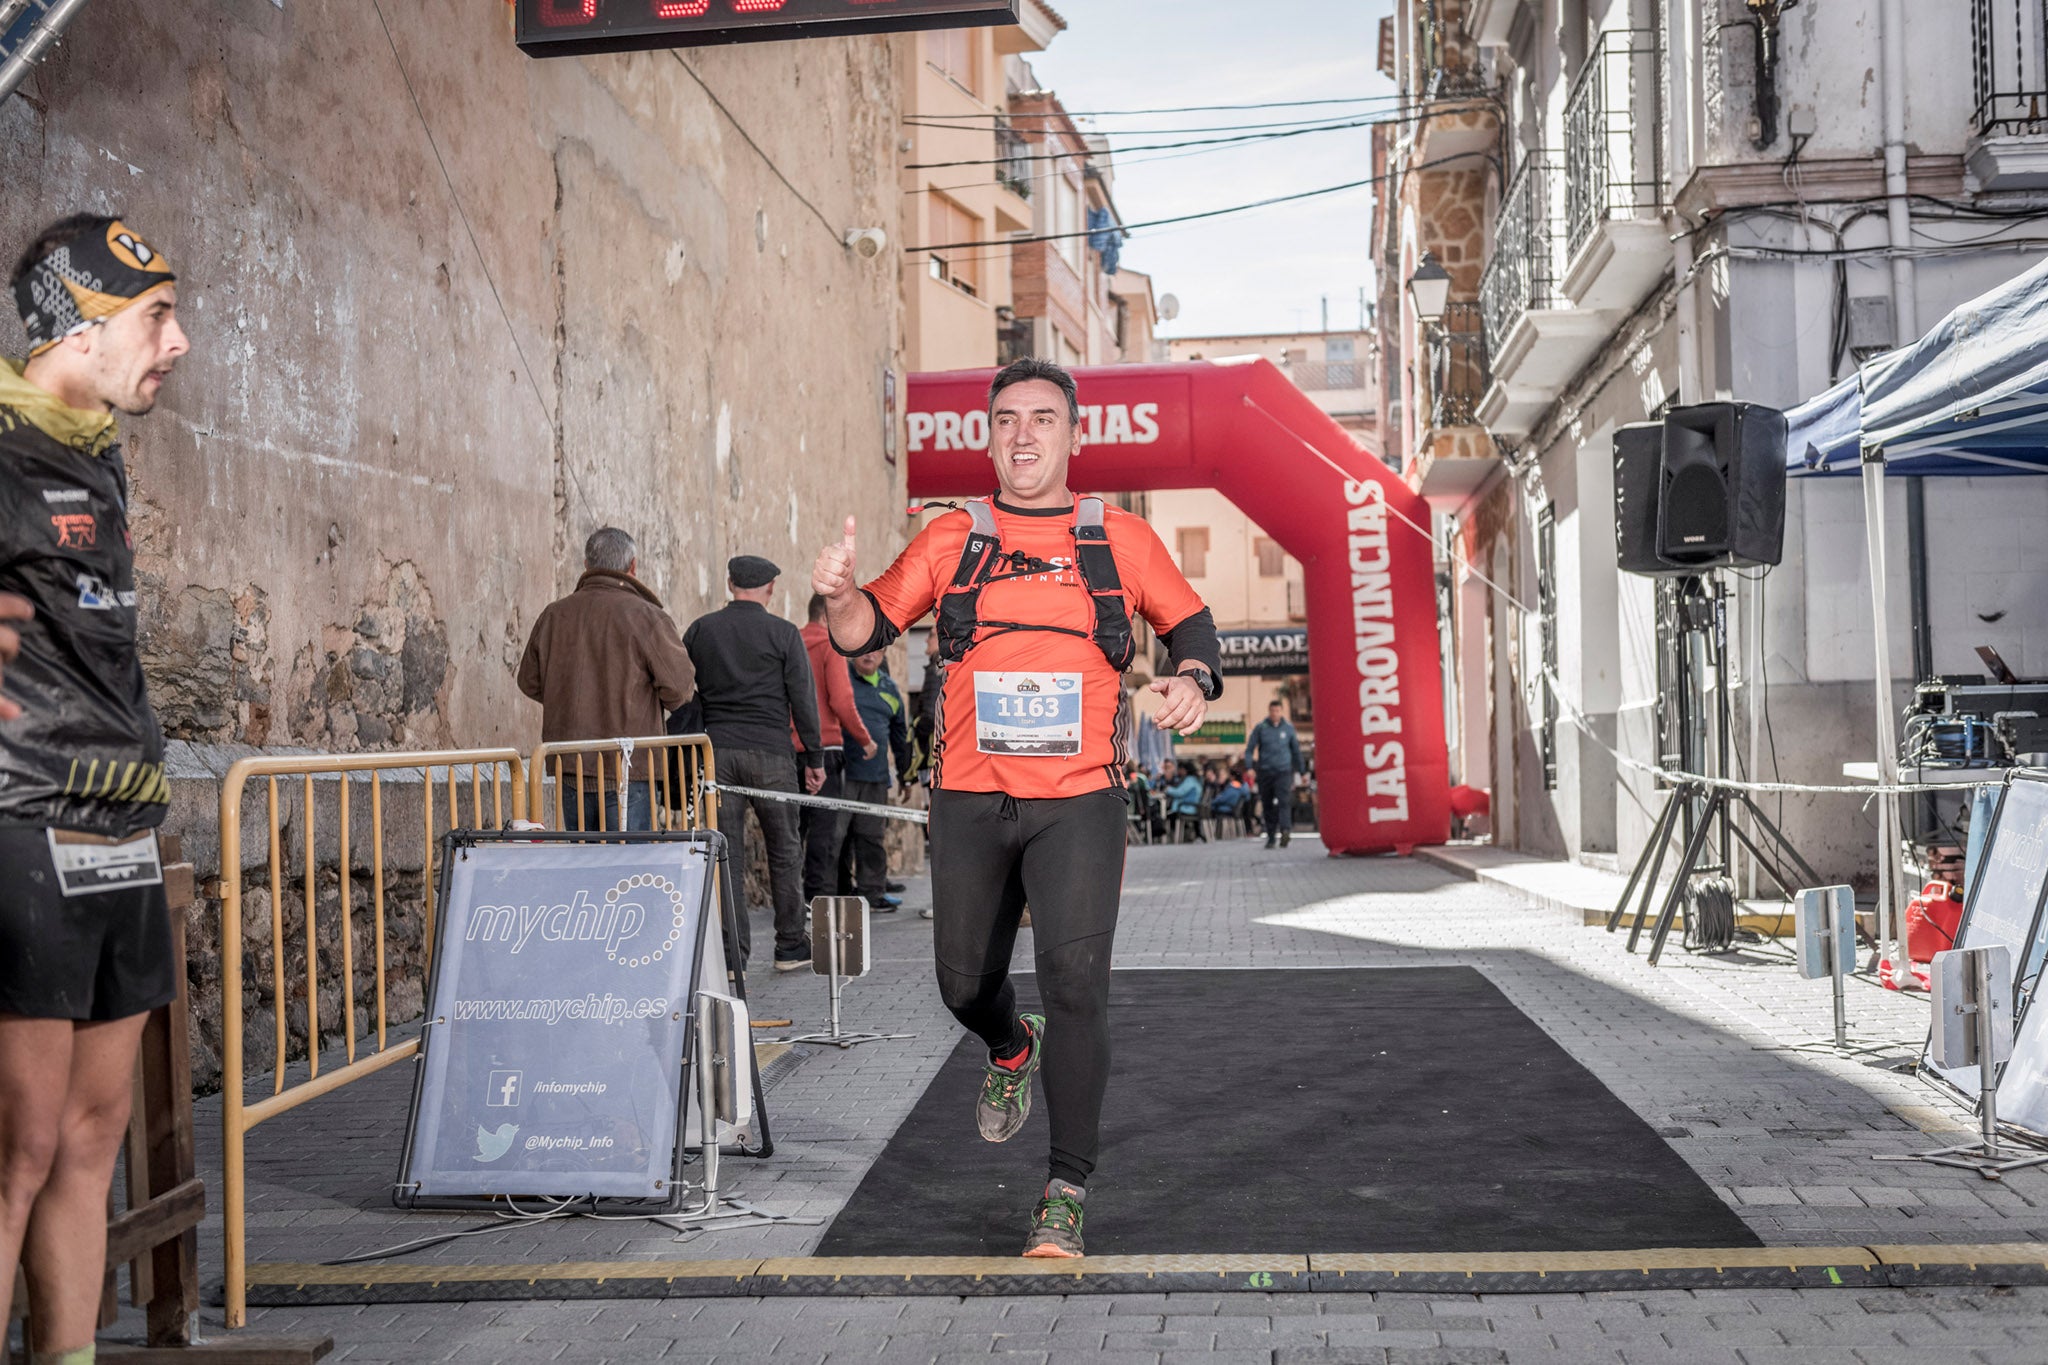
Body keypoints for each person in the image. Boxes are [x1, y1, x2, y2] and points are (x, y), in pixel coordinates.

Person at [811, 356, 1223, 1257]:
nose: (1024, 433)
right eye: (1007, 418)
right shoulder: (951, 534)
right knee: (962, 984)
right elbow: (864, 630)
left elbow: (1192, 627)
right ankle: (1008, 1044)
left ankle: (1065, 1190)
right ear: (987, 434)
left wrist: (1194, 674)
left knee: (1078, 985)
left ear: (1073, 434)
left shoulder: (1117, 537)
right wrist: (840, 595)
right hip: (969, 796)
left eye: (1043, 417)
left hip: (1079, 799)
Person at [0, 215, 190, 1365]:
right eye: (155, 318)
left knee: (91, 1134)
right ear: (76, 327)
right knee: (16, 1143)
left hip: (119, 821)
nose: (178, 341)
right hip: (21, 825)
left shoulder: (98, 450)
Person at [684, 556, 825, 971]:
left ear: (730, 584)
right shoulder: (783, 633)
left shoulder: (700, 630)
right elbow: (803, 698)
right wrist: (814, 758)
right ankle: (789, 946)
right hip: (772, 755)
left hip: (718, 755)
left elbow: (681, 684)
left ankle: (732, 957)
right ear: (770, 588)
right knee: (785, 850)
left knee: (728, 855)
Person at [517, 527, 695, 832]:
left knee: (584, 870)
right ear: (633, 566)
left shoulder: (554, 615)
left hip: (570, 766)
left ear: (586, 565)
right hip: (629, 770)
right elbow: (680, 690)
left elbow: (530, 682)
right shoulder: (647, 617)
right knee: (630, 872)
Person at [795, 593, 874, 907]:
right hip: (825, 748)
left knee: (794, 829)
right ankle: (816, 897)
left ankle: (792, 900)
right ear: (827, 617)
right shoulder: (830, 646)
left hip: (789, 748)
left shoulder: (791, 642)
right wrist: (865, 739)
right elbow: (841, 700)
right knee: (824, 831)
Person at [845, 647, 913, 909]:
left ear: (883, 654)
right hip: (843, 773)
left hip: (876, 776)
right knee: (837, 839)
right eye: (864, 651)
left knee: (872, 837)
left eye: (876, 651)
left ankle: (872, 893)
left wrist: (906, 778)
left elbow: (900, 736)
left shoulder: (890, 688)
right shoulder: (844, 678)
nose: (869, 655)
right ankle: (838, 892)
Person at [1244, 698, 1305, 848]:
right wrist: (1249, 766)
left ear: (1281, 711)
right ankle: (1271, 837)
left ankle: (1285, 831)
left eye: (1277, 711)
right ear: (1269, 711)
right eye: (1272, 711)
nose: (1275, 713)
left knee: (1284, 802)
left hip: (1283, 771)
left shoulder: (1289, 729)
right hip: (1265, 771)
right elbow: (1250, 749)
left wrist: (1302, 771)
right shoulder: (1261, 728)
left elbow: (1296, 751)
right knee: (1267, 804)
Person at [1161, 758, 1204, 841]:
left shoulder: (1189, 780)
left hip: (1186, 808)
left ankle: (1172, 837)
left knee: (1167, 815)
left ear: (1185, 770)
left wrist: (1168, 789)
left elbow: (1180, 792)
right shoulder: (1195, 779)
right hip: (1191, 807)